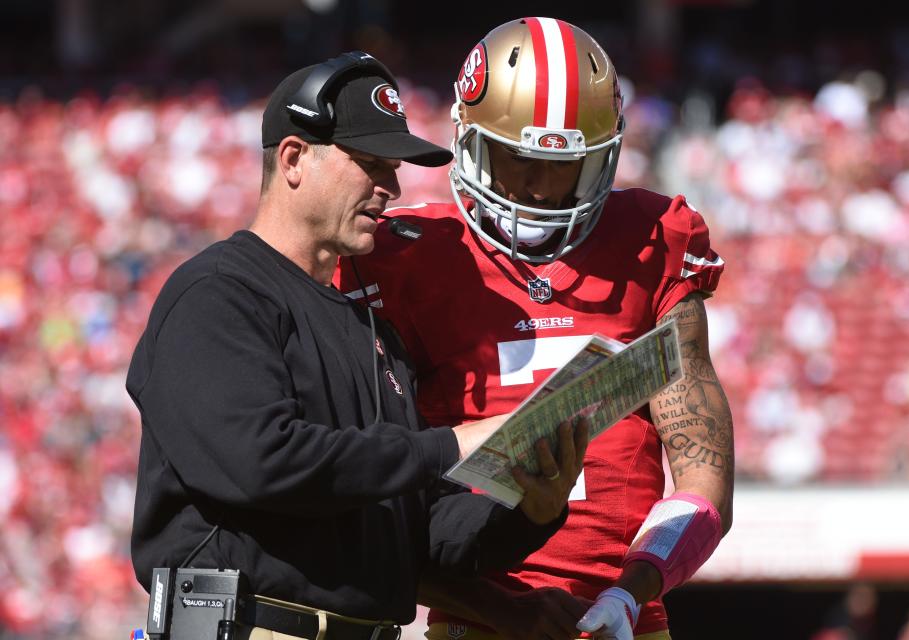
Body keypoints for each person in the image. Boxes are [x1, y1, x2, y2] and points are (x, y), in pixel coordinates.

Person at [126, 51, 588, 639]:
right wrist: (451, 444)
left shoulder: (373, 328)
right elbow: (263, 462)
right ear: (294, 159)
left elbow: (421, 537)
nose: (390, 187)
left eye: (392, 168)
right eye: (371, 163)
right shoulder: (217, 293)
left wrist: (534, 508)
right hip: (247, 626)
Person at [339, 18, 735, 640]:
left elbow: (706, 477)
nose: (538, 189)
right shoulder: (400, 255)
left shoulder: (654, 239)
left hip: (624, 619)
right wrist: (503, 610)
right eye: (517, 159)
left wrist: (631, 593)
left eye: (564, 167)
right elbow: (369, 510)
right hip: (474, 619)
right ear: (468, 141)